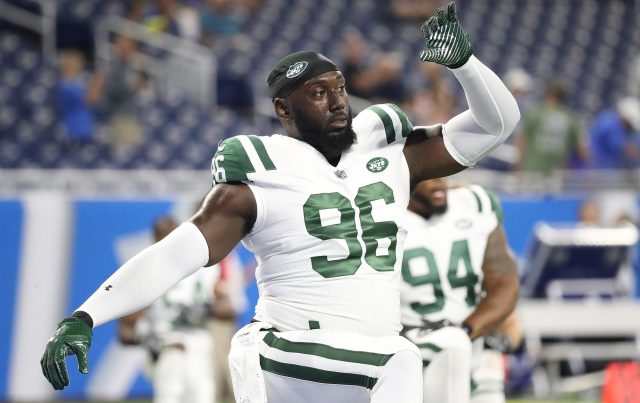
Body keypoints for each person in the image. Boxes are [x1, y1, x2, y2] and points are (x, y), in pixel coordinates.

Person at [41, 3, 520, 402]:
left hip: (358, 360)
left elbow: (495, 125)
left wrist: (465, 65)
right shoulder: (262, 175)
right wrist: (85, 315)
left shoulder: (389, 153)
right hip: (284, 353)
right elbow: (176, 254)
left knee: (403, 357)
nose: (336, 102)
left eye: (338, 88)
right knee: (402, 360)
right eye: (317, 93)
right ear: (284, 110)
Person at [399, 178, 519, 403]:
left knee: (482, 362)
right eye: (429, 175)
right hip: (410, 345)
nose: (439, 183)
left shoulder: (473, 204)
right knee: (452, 346)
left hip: (467, 339)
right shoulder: (382, 215)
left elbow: (505, 281)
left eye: (442, 174)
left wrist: (468, 329)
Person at [118, 216, 217, 403]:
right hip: (168, 348)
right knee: (171, 386)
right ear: (155, 239)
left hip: (200, 346)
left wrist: (205, 309)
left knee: (202, 395)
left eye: (174, 237)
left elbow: (228, 307)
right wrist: (157, 341)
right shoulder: (144, 273)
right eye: (165, 237)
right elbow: (125, 331)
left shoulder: (202, 268)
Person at [517, 79, 588, 174]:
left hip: (532, 171)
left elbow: (522, 141)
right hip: (556, 173)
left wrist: (518, 166)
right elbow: (582, 151)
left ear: (550, 95)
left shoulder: (536, 113)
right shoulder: (570, 119)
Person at [588, 96, 640, 170]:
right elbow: (623, 147)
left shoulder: (614, 122)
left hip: (607, 169)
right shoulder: (609, 123)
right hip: (600, 169)